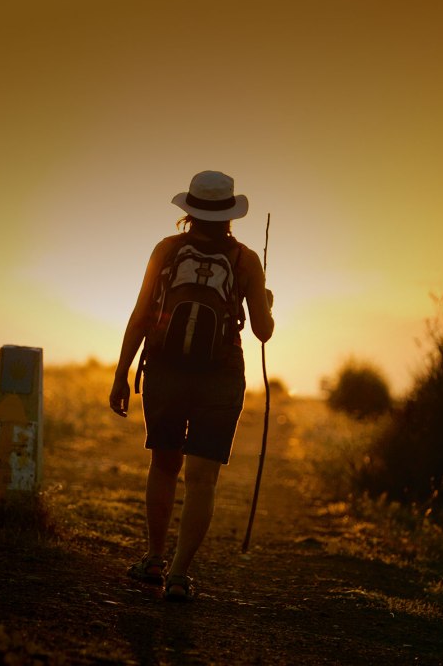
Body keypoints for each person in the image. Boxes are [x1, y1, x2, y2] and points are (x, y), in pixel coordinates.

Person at [109, 170, 274, 602]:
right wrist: (266, 301)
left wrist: (121, 373)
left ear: (190, 210)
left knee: (164, 466)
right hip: (220, 376)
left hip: (165, 368)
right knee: (203, 480)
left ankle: (154, 559)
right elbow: (262, 332)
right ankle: (180, 574)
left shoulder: (166, 250)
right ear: (230, 214)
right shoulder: (246, 261)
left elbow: (141, 314)